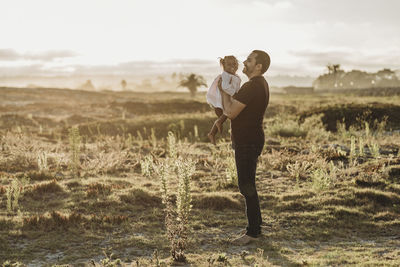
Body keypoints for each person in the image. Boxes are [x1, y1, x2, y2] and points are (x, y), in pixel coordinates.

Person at [218, 50, 270, 245]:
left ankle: (253, 233)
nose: (244, 63)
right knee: (247, 184)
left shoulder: (252, 86)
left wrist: (223, 90)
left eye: (249, 60)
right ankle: (255, 228)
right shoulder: (260, 84)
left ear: (258, 66)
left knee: (246, 186)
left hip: (248, 141)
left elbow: (231, 111)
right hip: (251, 139)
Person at [206, 56, 241, 145]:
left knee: (225, 115)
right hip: (223, 98)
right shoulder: (225, 75)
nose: (232, 66)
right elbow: (224, 87)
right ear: (224, 66)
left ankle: (212, 133)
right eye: (229, 65)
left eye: (234, 64)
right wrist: (235, 95)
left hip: (230, 98)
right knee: (225, 113)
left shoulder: (235, 76)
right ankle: (213, 131)